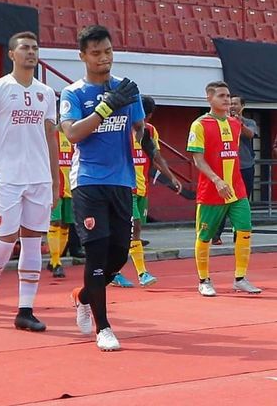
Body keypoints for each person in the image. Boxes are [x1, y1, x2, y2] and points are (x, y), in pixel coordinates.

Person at [59, 25, 144, 351]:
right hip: (89, 181)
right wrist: (105, 108)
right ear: (83, 56)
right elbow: (73, 133)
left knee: (120, 253)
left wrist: (151, 148)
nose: (103, 58)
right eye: (96, 53)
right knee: (96, 252)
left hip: (123, 180)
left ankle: (83, 296)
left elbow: (138, 128)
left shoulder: (125, 87)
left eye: (107, 51)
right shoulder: (73, 93)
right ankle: (103, 327)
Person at [0, 31, 58, 332]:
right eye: (24, 48)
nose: (31, 52)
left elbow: (51, 137)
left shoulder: (46, 93)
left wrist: (55, 179)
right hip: (6, 177)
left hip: (39, 178)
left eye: (35, 48)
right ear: (12, 54)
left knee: (34, 242)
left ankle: (25, 310)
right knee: (6, 240)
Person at [187, 81, 261, 297]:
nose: (227, 100)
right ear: (209, 98)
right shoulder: (199, 125)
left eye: (228, 96)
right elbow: (198, 160)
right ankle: (204, 280)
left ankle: (240, 278)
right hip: (211, 191)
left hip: (236, 190)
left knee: (245, 230)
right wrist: (217, 181)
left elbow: (231, 155)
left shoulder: (235, 125)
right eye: (221, 96)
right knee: (204, 236)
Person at [112, 95, 183, 288]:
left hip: (142, 188)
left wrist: (172, 177)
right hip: (124, 188)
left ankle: (113, 272)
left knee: (128, 232)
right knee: (134, 229)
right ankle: (142, 273)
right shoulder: (120, 129)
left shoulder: (150, 131)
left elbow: (156, 156)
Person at [211, 95, 258, 245]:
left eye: (235, 104)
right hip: (226, 168)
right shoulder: (223, 122)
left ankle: (239, 234)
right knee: (223, 200)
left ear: (242, 106)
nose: (231, 106)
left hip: (245, 167)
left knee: (242, 201)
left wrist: (238, 122)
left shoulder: (249, 122)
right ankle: (216, 234)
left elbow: (250, 135)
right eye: (230, 104)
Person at [46, 125, 74, 278]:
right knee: (55, 222)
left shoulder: (74, 135)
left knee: (65, 224)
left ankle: (54, 260)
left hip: (71, 187)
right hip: (54, 188)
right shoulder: (52, 135)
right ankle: (57, 262)